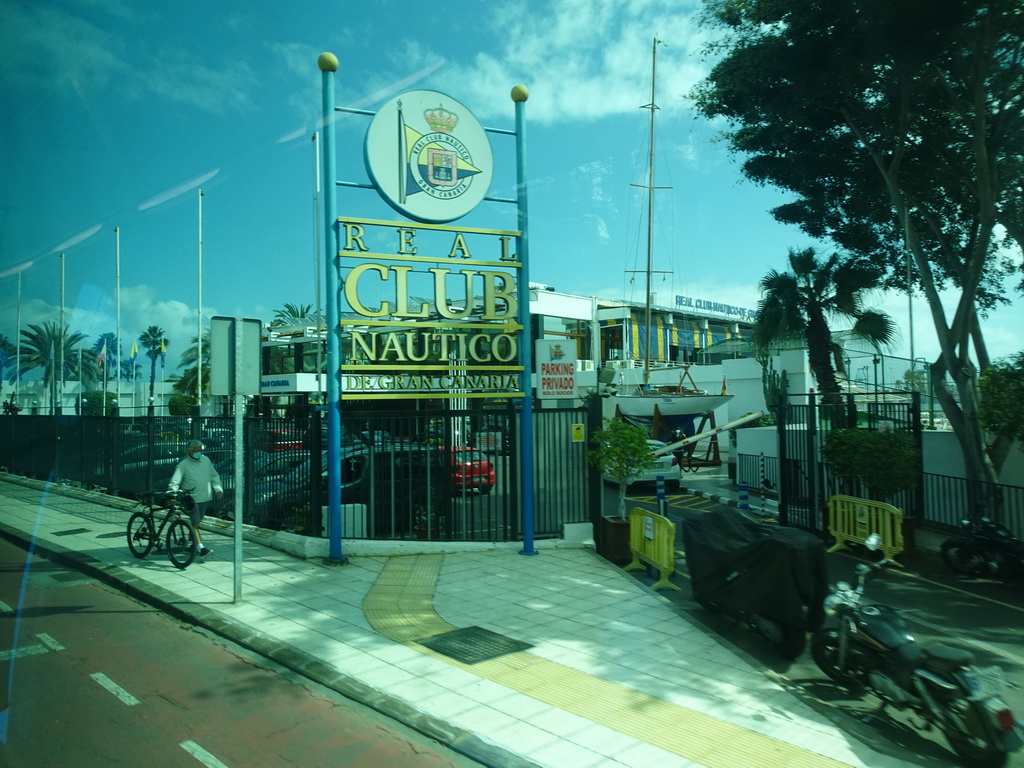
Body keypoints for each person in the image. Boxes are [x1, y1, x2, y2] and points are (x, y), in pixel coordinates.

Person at [168, 439, 223, 557]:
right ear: (189, 452)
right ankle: (201, 548)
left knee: (196, 523)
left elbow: (214, 475)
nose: (199, 453)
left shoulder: (206, 460)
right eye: (196, 450)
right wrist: (172, 492)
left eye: (200, 450)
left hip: (205, 497)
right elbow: (175, 481)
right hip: (191, 500)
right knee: (195, 523)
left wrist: (218, 489)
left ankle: (189, 545)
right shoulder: (183, 465)